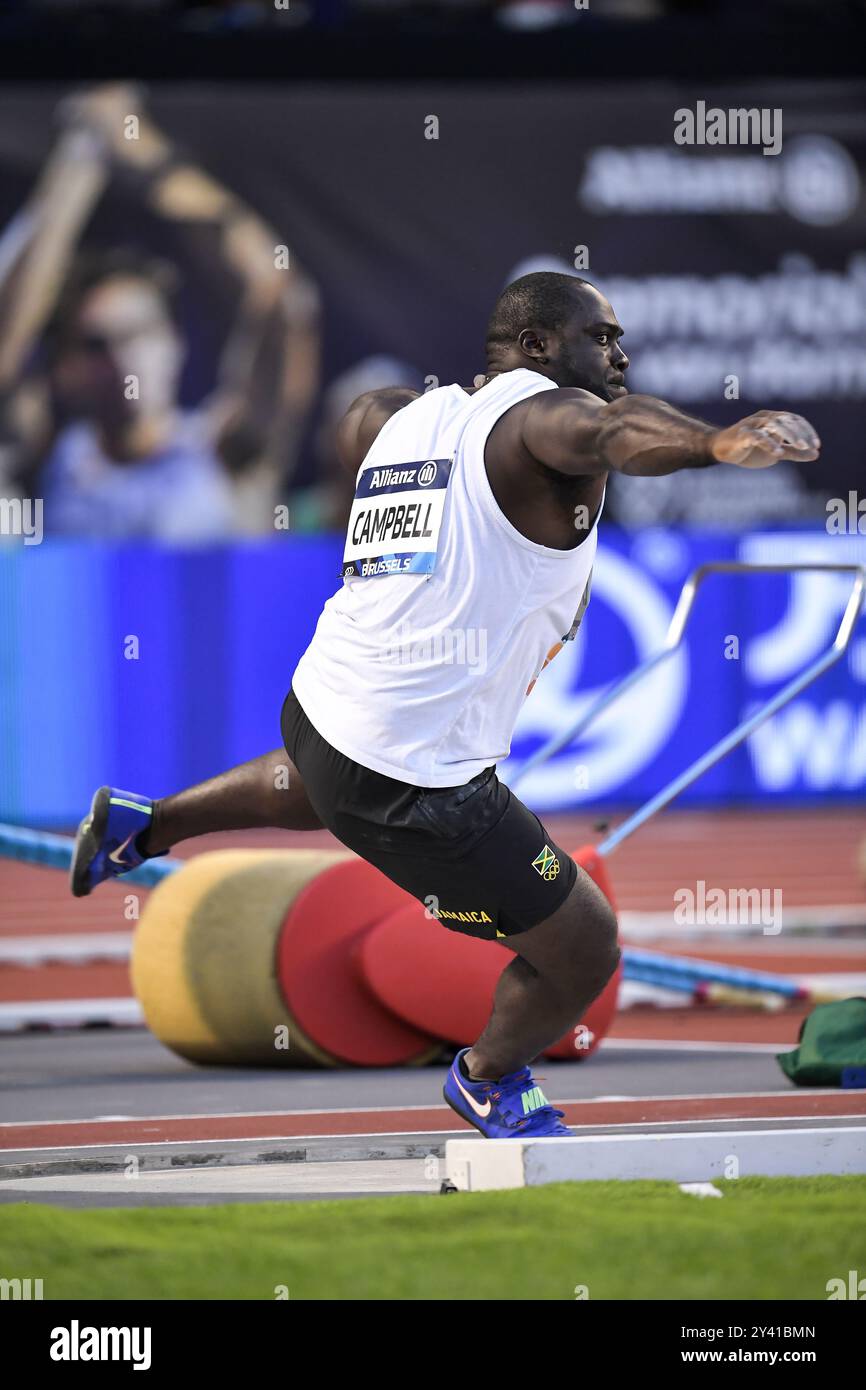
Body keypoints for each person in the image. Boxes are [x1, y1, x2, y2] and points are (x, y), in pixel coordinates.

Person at [69, 271, 820, 1137]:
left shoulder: (398, 415)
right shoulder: (542, 420)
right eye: (602, 337)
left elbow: (358, 434)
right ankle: (489, 1078)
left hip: (320, 710)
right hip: (419, 779)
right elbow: (613, 430)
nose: (619, 353)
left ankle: (146, 823)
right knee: (583, 947)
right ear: (538, 348)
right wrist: (718, 443)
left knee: (320, 783)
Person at [0, 83, 319, 540]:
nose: (123, 359)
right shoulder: (46, 461)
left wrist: (142, 150)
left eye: (141, 334)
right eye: (98, 345)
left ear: (176, 343)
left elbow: (285, 298)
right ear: (66, 369)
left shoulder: (226, 453)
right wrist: (78, 163)